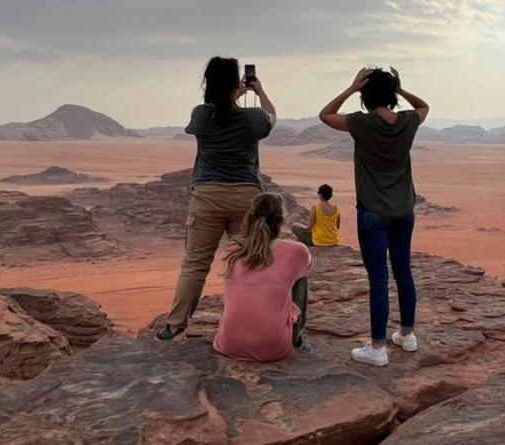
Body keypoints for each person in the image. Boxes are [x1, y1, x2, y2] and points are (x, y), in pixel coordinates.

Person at [156, 56, 277, 342]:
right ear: (238, 83)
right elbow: (272, 117)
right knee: (248, 261)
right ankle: (249, 324)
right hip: (246, 197)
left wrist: (229, 93)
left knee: (196, 263)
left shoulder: (200, 115)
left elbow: (215, 111)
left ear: (208, 84)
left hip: (208, 196)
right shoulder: (253, 118)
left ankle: (174, 325)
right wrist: (258, 92)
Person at [319, 67, 429, 367]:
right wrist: (401, 88)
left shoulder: (361, 123)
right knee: (403, 270)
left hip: (372, 212)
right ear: (392, 95)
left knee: (378, 277)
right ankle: (407, 335)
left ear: (365, 96)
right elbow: (424, 107)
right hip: (403, 210)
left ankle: (378, 348)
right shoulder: (407, 121)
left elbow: (325, 115)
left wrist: (352, 88)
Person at [212, 193, 313, 361]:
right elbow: (306, 269)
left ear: (250, 218)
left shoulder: (232, 248)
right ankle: (298, 338)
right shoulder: (297, 251)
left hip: (229, 344)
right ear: (281, 222)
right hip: (274, 348)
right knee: (300, 278)